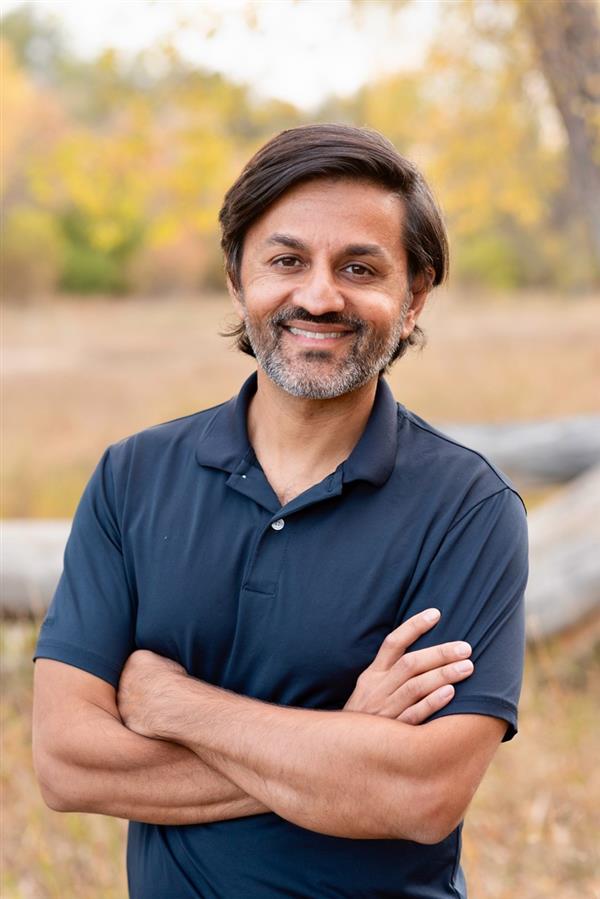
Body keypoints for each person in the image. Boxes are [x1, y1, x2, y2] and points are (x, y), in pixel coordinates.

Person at [32, 123, 528, 899]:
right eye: (287, 260)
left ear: (413, 297)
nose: (319, 296)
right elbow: (67, 762)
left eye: (359, 267)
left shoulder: (469, 508)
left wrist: (173, 704)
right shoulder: (133, 476)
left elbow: (421, 794)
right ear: (238, 279)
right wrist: (346, 744)